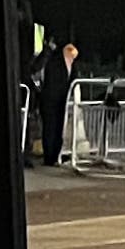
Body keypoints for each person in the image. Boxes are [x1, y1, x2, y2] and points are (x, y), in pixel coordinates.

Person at [30, 29, 79, 168]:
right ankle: (49, 157)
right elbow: (38, 70)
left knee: (57, 128)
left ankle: (54, 156)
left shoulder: (65, 61)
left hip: (60, 99)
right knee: (50, 127)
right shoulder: (51, 60)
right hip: (49, 99)